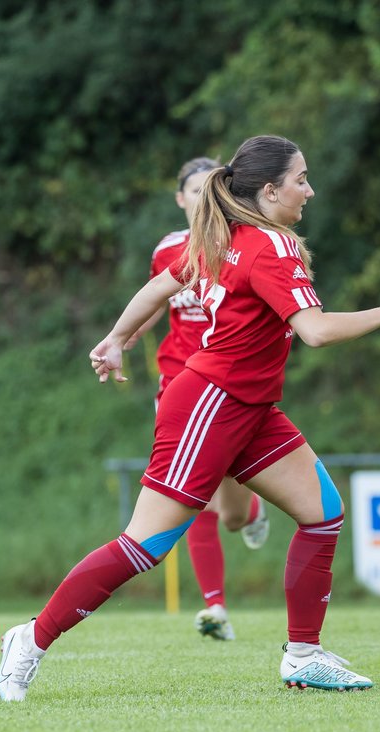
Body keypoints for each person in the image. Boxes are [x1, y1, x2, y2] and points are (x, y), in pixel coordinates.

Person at [0, 134, 380, 701]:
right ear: (270, 191)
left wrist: (117, 339)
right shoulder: (269, 246)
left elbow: (160, 284)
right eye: (301, 179)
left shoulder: (228, 236)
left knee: (323, 514)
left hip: (248, 406)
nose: (309, 190)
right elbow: (315, 331)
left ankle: (304, 656)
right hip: (210, 405)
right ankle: (29, 640)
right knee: (142, 547)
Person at [126, 155, 272, 642]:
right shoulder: (169, 249)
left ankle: (251, 512)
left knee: (230, 513)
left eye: (212, 186)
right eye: (194, 189)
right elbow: (155, 297)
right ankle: (215, 608)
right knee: (196, 499)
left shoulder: (240, 246)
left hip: (229, 385)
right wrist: (124, 337)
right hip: (179, 385)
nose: (202, 196)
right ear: (181, 199)